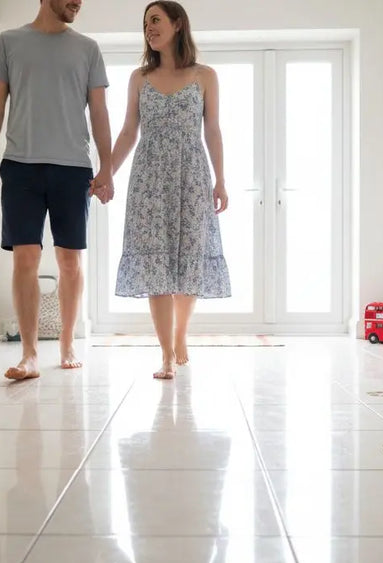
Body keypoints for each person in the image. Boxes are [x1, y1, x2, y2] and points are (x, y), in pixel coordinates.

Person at [0, 0, 114, 381]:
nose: (78, 2)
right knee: (25, 259)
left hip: (73, 168)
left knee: (70, 262)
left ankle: (68, 343)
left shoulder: (87, 48)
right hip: (20, 167)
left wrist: (107, 166)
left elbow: (99, 111)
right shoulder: (9, 42)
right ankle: (30, 354)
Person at [110, 1, 231, 380]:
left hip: (192, 176)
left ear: (177, 24)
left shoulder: (205, 76)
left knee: (189, 260)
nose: (149, 28)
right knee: (156, 265)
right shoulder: (139, 78)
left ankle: (180, 335)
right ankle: (164, 354)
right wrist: (107, 173)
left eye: (156, 20)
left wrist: (221, 179)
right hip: (149, 180)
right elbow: (129, 131)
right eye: (145, 22)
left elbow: (212, 130)